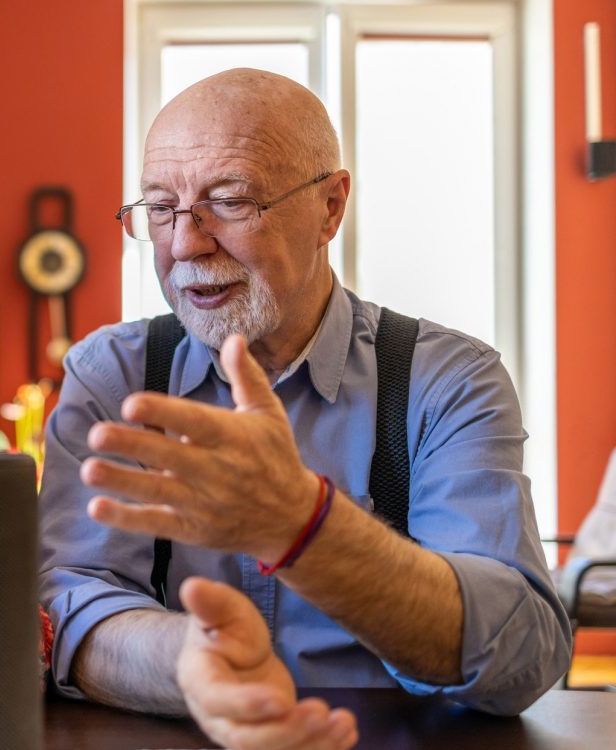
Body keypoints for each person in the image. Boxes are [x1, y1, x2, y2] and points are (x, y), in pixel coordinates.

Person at [38, 69, 572, 749]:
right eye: (161, 208)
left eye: (229, 202)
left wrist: (305, 527)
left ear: (330, 207)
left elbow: (520, 655)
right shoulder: (113, 376)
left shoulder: (447, 380)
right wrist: (193, 666)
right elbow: (67, 601)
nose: (183, 244)